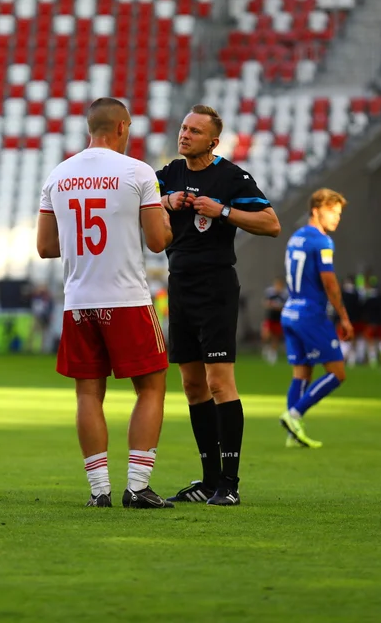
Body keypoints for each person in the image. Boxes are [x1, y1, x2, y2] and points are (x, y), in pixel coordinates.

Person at [35, 97, 174, 509]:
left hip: (78, 300)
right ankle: (137, 486)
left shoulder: (58, 175)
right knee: (151, 387)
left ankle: (99, 492)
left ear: (88, 129)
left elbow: (45, 247)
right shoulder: (137, 172)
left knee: (88, 395)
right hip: (126, 298)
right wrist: (162, 220)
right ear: (122, 127)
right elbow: (156, 241)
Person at [156, 104, 281, 505]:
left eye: (194, 130)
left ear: (213, 141)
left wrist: (224, 211)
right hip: (180, 286)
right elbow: (134, 201)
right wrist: (165, 202)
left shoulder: (231, 176)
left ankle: (230, 483)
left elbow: (272, 224)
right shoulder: (168, 176)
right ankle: (209, 481)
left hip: (216, 287)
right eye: (183, 127)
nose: (185, 134)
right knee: (192, 386)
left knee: (219, 382)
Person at [278, 188, 352, 449]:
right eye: (333, 212)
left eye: (339, 213)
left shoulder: (295, 238)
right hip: (311, 313)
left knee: (301, 373)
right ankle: (294, 414)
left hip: (290, 312)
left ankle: (293, 434)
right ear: (316, 209)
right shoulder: (322, 241)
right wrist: (343, 317)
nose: (336, 218)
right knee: (338, 373)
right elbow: (330, 283)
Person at [360, 278, 381, 367]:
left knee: (371, 341)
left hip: (370, 324)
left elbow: (363, 309)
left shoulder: (368, 300)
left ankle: (373, 360)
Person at [261, 278, 287, 364]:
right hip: (270, 318)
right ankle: (266, 347)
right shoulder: (270, 293)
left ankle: (273, 353)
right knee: (266, 334)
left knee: (276, 337)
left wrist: (277, 307)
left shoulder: (284, 295)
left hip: (279, 319)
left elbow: (285, 307)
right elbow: (266, 303)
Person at [338, 276, 363, 365]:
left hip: (347, 320)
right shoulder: (357, 295)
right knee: (351, 339)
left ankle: (346, 358)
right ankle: (350, 359)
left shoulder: (343, 295)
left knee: (346, 339)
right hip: (353, 320)